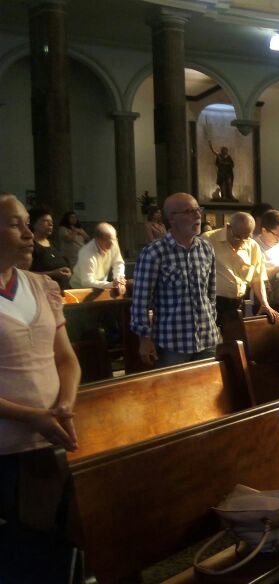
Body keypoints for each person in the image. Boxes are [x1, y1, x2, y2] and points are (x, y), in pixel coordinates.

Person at [0, 194, 82, 582]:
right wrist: (31, 416)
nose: (28, 233)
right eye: (15, 224)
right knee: (16, 552)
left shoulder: (41, 286)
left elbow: (66, 359)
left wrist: (65, 404)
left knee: (54, 543)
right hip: (7, 447)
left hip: (51, 438)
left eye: (26, 223)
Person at [132, 193, 219, 367]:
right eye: (189, 212)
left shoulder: (206, 248)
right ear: (172, 218)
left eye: (198, 210)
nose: (197, 216)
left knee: (209, 385)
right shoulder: (154, 252)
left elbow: (211, 293)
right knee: (174, 386)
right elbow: (141, 302)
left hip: (207, 339)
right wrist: (144, 339)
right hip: (172, 342)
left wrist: (213, 322)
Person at [202, 212, 278, 328]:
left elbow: (257, 278)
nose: (241, 241)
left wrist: (264, 303)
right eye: (237, 237)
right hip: (212, 302)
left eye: (246, 238)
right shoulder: (208, 240)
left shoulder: (252, 246)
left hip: (237, 303)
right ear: (228, 227)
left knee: (236, 337)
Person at [255, 210, 279, 313]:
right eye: (277, 235)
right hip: (263, 301)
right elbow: (255, 277)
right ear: (264, 230)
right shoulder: (254, 246)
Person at [71, 222, 126, 293]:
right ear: (98, 239)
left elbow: (118, 262)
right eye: (108, 241)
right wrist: (111, 284)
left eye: (114, 239)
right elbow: (87, 282)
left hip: (101, 286)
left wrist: (118, 277)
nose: (112, 244)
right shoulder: (86, 252)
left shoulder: (113, 242)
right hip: (79, 289)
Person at [29, 208, 71, 290]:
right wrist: (52, 273)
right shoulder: (30, 245)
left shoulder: (52, 243)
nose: (50, 224)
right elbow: (24, 274)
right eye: (46, 221)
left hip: (62, 291)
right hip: (42, 291)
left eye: (51, 221)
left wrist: (68, 271)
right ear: (34, 224)